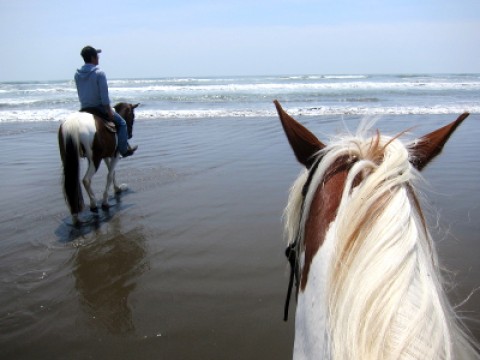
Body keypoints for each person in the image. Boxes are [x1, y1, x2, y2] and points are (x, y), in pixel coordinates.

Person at [74, 45, 137, 157]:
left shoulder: (77, 74)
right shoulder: (99, 73)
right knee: (122, 124)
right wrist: (108, 111)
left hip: (84, 109)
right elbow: (104, 97)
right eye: (97, 55)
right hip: (99, 108)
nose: (98, 58)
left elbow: (80, 93)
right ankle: (123, 150)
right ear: (93, 58)